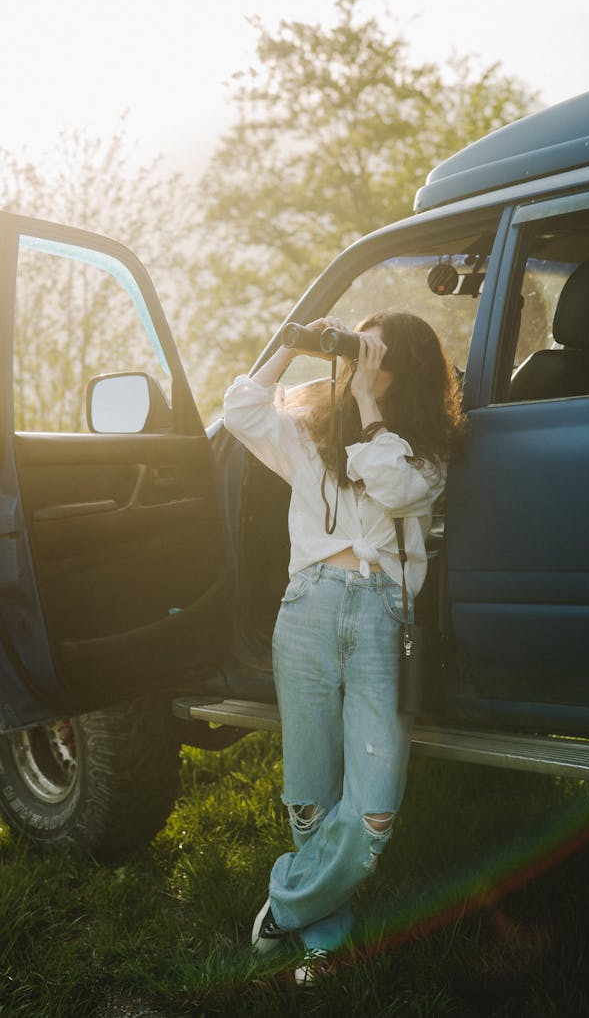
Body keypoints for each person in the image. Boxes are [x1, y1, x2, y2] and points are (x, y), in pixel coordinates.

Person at [222, 311, 465, 985]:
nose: (361, 360)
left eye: (375, 351)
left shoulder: (425, 448)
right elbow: (242, 408)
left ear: (405, 366)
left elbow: (392, 487)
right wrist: (292, 342)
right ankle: (326, 938)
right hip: (308, 607)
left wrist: (365, 403)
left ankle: (286, 901)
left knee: (375, 811)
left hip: (385, 614)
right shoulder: (309, 431)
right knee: (308, 792)